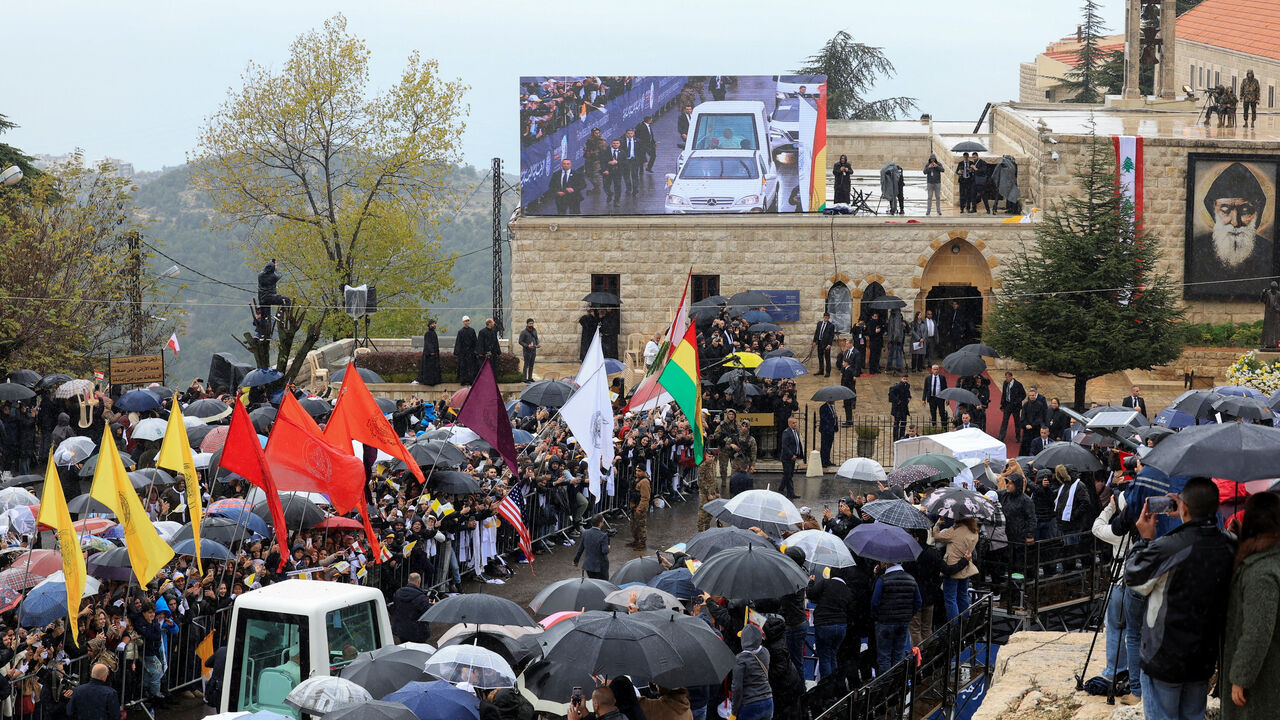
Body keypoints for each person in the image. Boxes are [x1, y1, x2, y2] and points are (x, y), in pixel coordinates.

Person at [1125, 477, 1235, 720]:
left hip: (1164, 654)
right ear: (1217, 508)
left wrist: (1144, 540)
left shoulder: (1169, 546)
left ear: (1182, 506)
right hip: (1203, 656)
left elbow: (1134, 578)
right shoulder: (1229, 544)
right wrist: (1187, 514)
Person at [1223, 492, 1280, 719]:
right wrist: (1240, 538)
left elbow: (1257, 631)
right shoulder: (1270, 559)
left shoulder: (1262, 573)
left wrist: (1241, 676)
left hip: (1261, 681)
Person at [1186, 161, 1272, 299]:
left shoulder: (1269, 251)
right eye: (1225, 210)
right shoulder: (1197, 249)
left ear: (1258, 213)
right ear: (1213, 212)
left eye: (1245, 211)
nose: (1235, 222)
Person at [871, 562, 922, 674]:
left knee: (884, 656)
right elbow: (918, 601)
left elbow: (875, 602)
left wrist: (877, 616)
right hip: (903, 622)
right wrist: (909, 615)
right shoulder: (911, 579)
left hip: (884, 622)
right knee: (899, 655)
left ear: (887, 563)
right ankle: (898, 685)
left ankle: (886, 686)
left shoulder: (883, 580)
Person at [807, 567, 852, 680]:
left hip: (824, 624)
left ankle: (828, 688)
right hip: (841, 626)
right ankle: (835, 684)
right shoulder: (847, 589)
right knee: (833, 656)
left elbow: (811, 594)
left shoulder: (826, 583)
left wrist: (811, 582)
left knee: (824, 658)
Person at [935, 517, 979, 620]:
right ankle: (964, 622)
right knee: (963, 596)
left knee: (950, 599)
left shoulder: (956, 530)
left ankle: (954, 626)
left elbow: (937, 536)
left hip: (952, 566)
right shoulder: (974, 531)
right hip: (966, 566)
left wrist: (937, 525)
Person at [731, 624, 773, 720]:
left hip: (750, 705)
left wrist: (734, 712)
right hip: (768, 701)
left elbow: (737, 688)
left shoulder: (740, 660)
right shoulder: (765, 652)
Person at [391, 572, 433, 644]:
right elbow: (429, 612)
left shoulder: (398, 593)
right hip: (417, 632)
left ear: (408, 580)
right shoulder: (420, 597)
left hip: (401, 630)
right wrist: (432, 605)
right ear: (419, 582)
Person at [573, 515, 610, 579]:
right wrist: (608, 546)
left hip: (589, 566)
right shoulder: (603, 536)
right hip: (600, 567)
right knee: (603, 585)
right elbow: (605, 551)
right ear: (600, 523)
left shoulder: (585, 533)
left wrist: (576, 561)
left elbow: (580, 549)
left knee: (593, 583)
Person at [779, 416, 802, 500]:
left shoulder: (796, 432)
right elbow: (785, 446)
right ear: (789, 424)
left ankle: (781, 490)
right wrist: (791, 455)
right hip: (787, 458)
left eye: (796, 422)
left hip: (793, 457)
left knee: (788, 475)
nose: (795, 424)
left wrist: (798, 454)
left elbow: (797, 443)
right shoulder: (786, 432)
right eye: (793, 423)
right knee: (788, 475)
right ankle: (790, 493)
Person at [998, 371, 1026, 443]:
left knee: (1017, 422)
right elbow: (1004, 394)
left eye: (1007, 377)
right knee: (1004, 421)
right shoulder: (1005, 383)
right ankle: (1001, 437)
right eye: (1005, 377)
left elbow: (1023, 394)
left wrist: (1017, 401)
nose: (1006, 379)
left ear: (1011, 377)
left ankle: (1018, 437)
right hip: (1007, 405)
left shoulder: (1018, 384)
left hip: (1015, 406)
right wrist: (1002, 405)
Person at [1020, 387, 1048, 455]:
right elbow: (1023, 416)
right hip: (1027, 431)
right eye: (1030, 395)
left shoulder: (1040, 405)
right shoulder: (1025, 405)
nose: (1031, 397)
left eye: (1033, 395)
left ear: (1035, 395)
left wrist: (1032, 425)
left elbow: (1040, 418)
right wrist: (1026, 424)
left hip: (1035, 430)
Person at [629, 469, 651, 550]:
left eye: (639, 471)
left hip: (640, 507)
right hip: (634, 506)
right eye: (636, 471)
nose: (637, 472)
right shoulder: (637, 480)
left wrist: (640, 508)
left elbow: (645, 497)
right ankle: (636, 541)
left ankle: (642, 543)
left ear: (644, 471)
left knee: (641, 526)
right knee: (633, 525)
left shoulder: (644, 481)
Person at [838, 339, 859, 425]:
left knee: (852, 390)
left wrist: (855, 374)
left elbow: (857, 364)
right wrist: (842, 371)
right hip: (845, 384)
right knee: (846, 405)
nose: (846, 345)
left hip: (849, 381)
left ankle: (852, 402)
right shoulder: (846, 352)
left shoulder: (856, 352)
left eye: (847, 343)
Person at [416, 319, 442, 386]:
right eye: (433, 324)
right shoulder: (428, 333)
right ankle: (429, 381)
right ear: (430, 325)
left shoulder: (433, 333)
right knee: (429, 369)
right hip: (429, 355)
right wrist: (431, 351)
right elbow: (428, 343)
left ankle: (435, 380)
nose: (434, 325)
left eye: (435, 324)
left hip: (434, 355)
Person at [455, 316, 478, 386]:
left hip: (471, 353)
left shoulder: (472, 331)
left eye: (468, 321)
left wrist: (476, 351)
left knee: (471, 367)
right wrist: (457, 352)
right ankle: (463, 380)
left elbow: (475, 342)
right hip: (463, 353)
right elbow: (458, 342)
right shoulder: (460, 332)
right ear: (463, 322)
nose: (467, 322)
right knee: (463, 367)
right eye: (466, 321)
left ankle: (471, 380)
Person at [601, 139, 624, 205]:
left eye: (617, 143)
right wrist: (604, 170)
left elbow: (625, 162)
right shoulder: (606, 152)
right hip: (608, 172)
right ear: (611, 144)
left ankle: (616, 200)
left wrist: (617, 162)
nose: (615, 144)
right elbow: (602, 161)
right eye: (614, 143)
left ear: (619, 144)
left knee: (617, 186)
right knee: (606, 186)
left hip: (617, 172)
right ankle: (609, 194)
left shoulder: (622, 152)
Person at [888, 374, 911, 441]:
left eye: (906, 379)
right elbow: (891, 393)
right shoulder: (898, 386)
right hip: (898, 407)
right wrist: (897, 401)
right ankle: (895, 437)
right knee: (897, 422)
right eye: (904, 379)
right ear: (901, 379)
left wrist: (909, 397)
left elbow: (908, 393)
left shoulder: (907, 385)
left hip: (904, 407)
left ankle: (901, 436)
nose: (905, 380)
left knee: (904, 422)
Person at [812, 312, 835, 377]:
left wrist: (829, 344)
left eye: (827, 318)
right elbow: (816, 332)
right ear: (823, 317)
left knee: (827, 358)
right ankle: (821, 370)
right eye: (825, 318)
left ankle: (828, 372)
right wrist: (814, 341)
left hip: (826, 344)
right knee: (820, 357)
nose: (826, 319)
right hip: (819, 342)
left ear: (829, 318)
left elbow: (831, 336)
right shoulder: (819, 323)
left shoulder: (831, 325)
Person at [518, 318, 539, 383]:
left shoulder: (534, 331)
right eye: (530, 323)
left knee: (531, 365)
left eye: (532, 323)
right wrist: (527, 345)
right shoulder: (523, 332)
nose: (531, 324)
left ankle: (530, 378)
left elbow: (536, 338)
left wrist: (537, 344)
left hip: (533, 350)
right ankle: (524, 378)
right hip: (527, 351)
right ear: (527, 324)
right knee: (526, 365)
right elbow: (520, 341)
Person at [818, 401, 837, 468]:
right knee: (824, 446)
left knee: (829, 445)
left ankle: (827, 460)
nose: (835, 401)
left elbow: (834, 418)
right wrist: (833, 417)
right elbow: (824, 418)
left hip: (831, 430)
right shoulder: (823, 408)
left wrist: (835, 417)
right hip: (825, 430)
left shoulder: (832, 408)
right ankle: (823, 461)